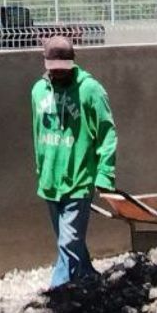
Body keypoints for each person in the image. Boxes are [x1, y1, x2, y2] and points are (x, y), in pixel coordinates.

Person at [31, 36, 117, 289]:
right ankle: (90, 281)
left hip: (78, 180)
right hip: (49, 180)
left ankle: (55, 299)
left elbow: (107, 133)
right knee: (69, 243)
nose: (58, 73)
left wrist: (104, 174)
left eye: (63, 68)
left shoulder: (90, 90)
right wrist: (41, 167)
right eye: (53, 68)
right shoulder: (38, 91)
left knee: (68, 245)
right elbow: (37, 132)